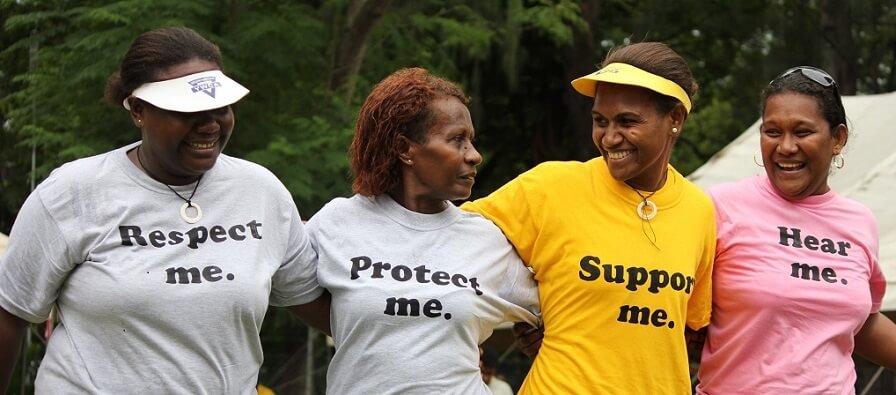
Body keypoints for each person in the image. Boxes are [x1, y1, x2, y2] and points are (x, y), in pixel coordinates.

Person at [0, 26, 329, 393]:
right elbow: (9, 312)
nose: (209, 124)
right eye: (187, 110)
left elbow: (328, 305)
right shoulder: (72, 193)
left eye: (219, 107)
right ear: (138, 110)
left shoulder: (260, 191)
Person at [463, 42, 715, 393]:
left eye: (628, 121)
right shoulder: (550, 186)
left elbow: (689, 326)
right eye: (600, 121)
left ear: (674, 119)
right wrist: (526, 306)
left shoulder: (699, 210)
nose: (610, 138)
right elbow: (448, 241)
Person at [306, 67, 540, 394]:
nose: (475, 155)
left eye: (471, 140)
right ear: (405, 149)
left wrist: (541, 339)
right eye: (457, 139)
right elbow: (286, 288)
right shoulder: (337, 223)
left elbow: (569, 312)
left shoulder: (488, 240)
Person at [695, 66, 896, 394]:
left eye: (802, 132)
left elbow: (860, 323)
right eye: (772, 132)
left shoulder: (859, 221)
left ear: (838, 139)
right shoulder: (719, 207)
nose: (786, 147)